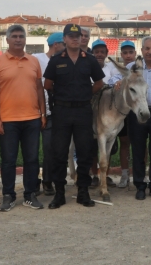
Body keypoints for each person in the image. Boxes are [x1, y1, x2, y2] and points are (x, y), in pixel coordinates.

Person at [44, 24, 104, 208]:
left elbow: (99, 83)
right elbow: (47, 84)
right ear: (64, 39)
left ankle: (83, 192)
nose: (75, 39)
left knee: (85, 152)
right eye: (71, 36)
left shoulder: (90, 60)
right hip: (61, 111)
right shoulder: (56, 60)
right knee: (59, 153)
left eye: (78, 36)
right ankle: (60, 194)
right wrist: (63, 96)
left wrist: (85, 94)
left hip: (83, 111)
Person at [0, 25, 47, 211]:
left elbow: (39, 88)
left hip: (32, 118)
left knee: (31, 159)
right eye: (14, 36)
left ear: (25, 39)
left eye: (21, 36)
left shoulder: (33, 61)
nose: (18, 39)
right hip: (7, 119)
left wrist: (42, 113)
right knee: (8, 160)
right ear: (7, 40)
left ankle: (30, 194)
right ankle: (8, 195)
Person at [113, 36, 151, 200]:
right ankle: (140, 185)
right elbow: (114, 79)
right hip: (137, 114)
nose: (150, 52)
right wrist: (117, 82)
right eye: (147, 49)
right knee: (138, 151)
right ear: (142, 51)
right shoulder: (132, 68)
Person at [32, 32, 64, 197]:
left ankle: (47, 181)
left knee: (49, 149)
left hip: (52, 112)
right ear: (56, 45)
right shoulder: (36, 58)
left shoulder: (62, 61)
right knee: (32, 150)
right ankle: (33, 183)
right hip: (33, 111)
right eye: (63, 44)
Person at [89, 39, 116, 186]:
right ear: (92, 53)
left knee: (109, 146)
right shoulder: (88, 65)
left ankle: (105, 175)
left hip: (109, 109)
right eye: (96, 52)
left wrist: (105, 86)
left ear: (106, 53)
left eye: (102, 52)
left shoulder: (111, 67)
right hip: (92, 105)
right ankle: (94, 174)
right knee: (93, 145)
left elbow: (115, 81)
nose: (99, 54)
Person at [115, 40, 137, 188]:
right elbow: (112, 81)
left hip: (135, 111)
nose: (128, 55)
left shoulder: (140, 70)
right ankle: (124, 175)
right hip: (122, 112)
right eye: (125, 53)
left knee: (140, 143)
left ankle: (140, 172)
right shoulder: (118, 70)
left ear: (135, 54)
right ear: (121, 55)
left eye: (131, 52)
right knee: (124, 142)